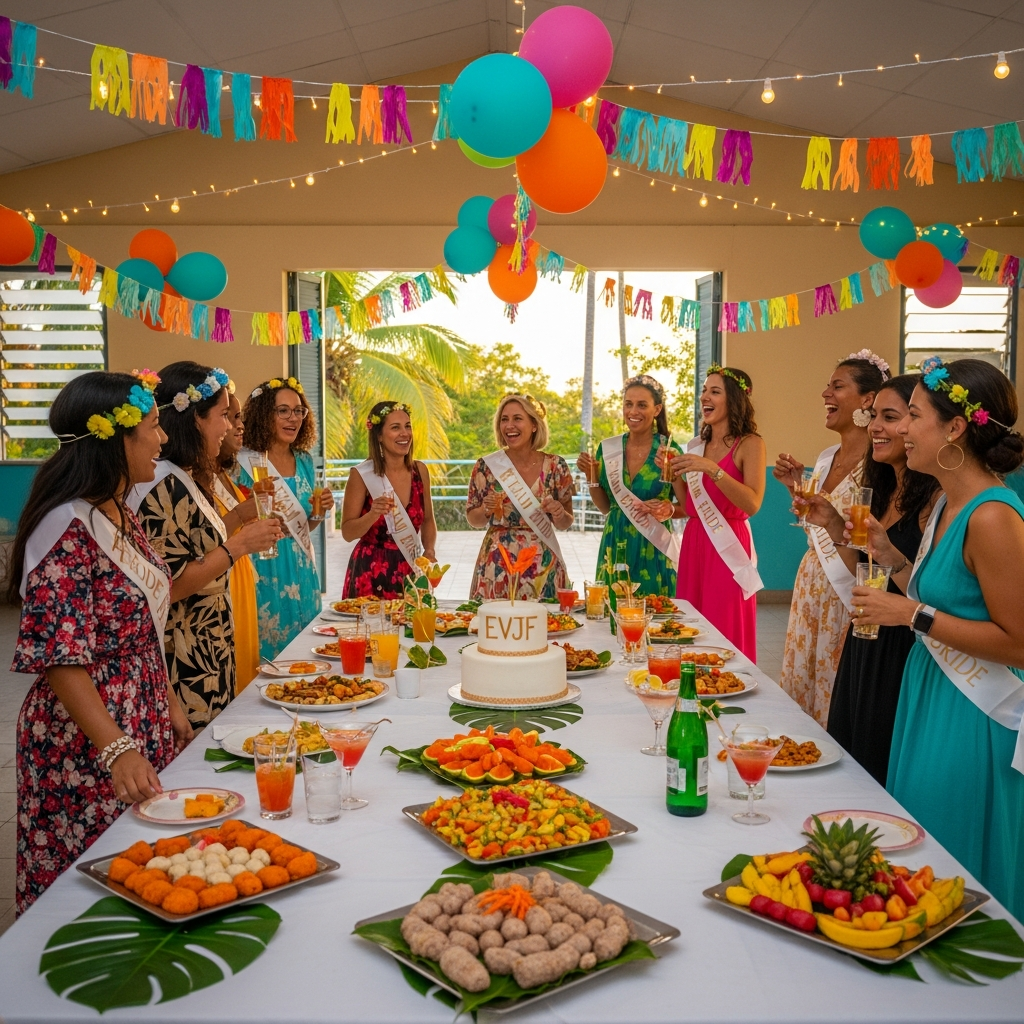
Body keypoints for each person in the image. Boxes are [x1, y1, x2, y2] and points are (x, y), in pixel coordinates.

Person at [9, 370, 193, 914]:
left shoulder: (116, 511)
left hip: (138, 712)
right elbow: (60, 658)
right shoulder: (64, 527)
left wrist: (168, 699)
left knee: (146, 872)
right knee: (91, 881)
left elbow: (140, 620)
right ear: (117, 438)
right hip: (86, 737)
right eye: (155, 428)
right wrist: (116, 748)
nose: (163, 440)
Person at [850, 358, 1024, 922]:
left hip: (975, 717)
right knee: (920, 853)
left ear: (954, 429)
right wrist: (890, 555)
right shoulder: (947, 503)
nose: (900, 430)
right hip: (930, 694)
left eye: (913, 416)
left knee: (955, 863)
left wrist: (911, 615)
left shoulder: (993, 516)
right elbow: (941, 596)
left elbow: (1019, 642)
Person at [801, 374, 940, 784]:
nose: (875, 426)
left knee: (880, 765)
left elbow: (927, 590)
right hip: (864, 639)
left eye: (892, 416)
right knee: (851, 754)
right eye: (873, 415)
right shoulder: (879, 490)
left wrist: (890, 558)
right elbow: (863, 569)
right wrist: (828, 520)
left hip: (902, 648)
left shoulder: (935, 499)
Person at [131, 362, 283, 725]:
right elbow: (171, 583)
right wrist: (238, 546)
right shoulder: (163, 485)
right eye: (222, 415)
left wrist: (241, 524)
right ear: (196, 418)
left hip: (209, 643)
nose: (230, 427)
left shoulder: (184, 478)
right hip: (185, 653)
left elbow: (198, 545)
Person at [774, 351, 886, 726]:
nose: (825, 393)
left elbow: (872, 536)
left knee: (836, 688)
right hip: (811, 584)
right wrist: (796, 491)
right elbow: (817, 524)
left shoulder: (880, 461)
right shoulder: (825, 458)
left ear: (867, 399)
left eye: (837, 386)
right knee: (803, 681)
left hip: (849, 590)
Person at [664, 366, 765, 661]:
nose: (704, 397)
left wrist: (711, 468)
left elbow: (753, 504)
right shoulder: (697, 445)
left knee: (724, 624)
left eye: (714, 391)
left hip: (727, 544)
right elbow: (691, 507)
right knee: (691, 624)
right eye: (704, 390)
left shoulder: (750, 443)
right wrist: (672, 474)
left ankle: (731, 684)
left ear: (733, 399)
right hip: (695, 541)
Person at [237, 376, 334, 659]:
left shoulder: (303, 460)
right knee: (268, 653)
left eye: (298, 411)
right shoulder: (243, 462)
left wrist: (320, 510)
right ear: (264, 413)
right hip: (263, 566)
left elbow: (307, 525)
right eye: (283, 410)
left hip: (302, 567)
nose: (293, 418)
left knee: (306, 652)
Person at [577, 375, 682, 596]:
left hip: (654, 545)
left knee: (656, 618)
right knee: (612, 616)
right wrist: (591, 477)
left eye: (642, 405)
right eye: (628, 404)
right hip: (616, 542)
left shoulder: (669, 451)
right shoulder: (608, 449)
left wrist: (668, 509)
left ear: (657, 409)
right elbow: (607, 508)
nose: (633, 412)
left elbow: (687, 507)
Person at [466, 393, 574, 601]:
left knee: (545, 628)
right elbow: (473, 519)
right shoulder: (486, 466)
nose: (509, 426)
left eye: (517, 418)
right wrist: (486, 509)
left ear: (534, 424)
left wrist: (558, 512)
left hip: (542, 564)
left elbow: (566, 522)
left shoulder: (556, 466)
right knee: (495, 628)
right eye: (504, 420)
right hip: (498, 563)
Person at [341, 401, 437, 598]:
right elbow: (348, 532)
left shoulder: (420, 471)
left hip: (411, 570)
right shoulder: (362, 475)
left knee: (412, 628)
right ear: (379, 435)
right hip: (370, 572)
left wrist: (429, 550)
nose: (405, 433)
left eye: (407, 426)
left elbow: (428, 520)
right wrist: (373, 514)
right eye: (395, 428)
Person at [213, 384, 262, 693]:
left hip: (241, 575)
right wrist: (245, 514)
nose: (237, 425)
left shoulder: (224, 475)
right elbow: (209, 535)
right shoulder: (195, 479)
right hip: (224, 576)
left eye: (239, 417)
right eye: (229, 416)